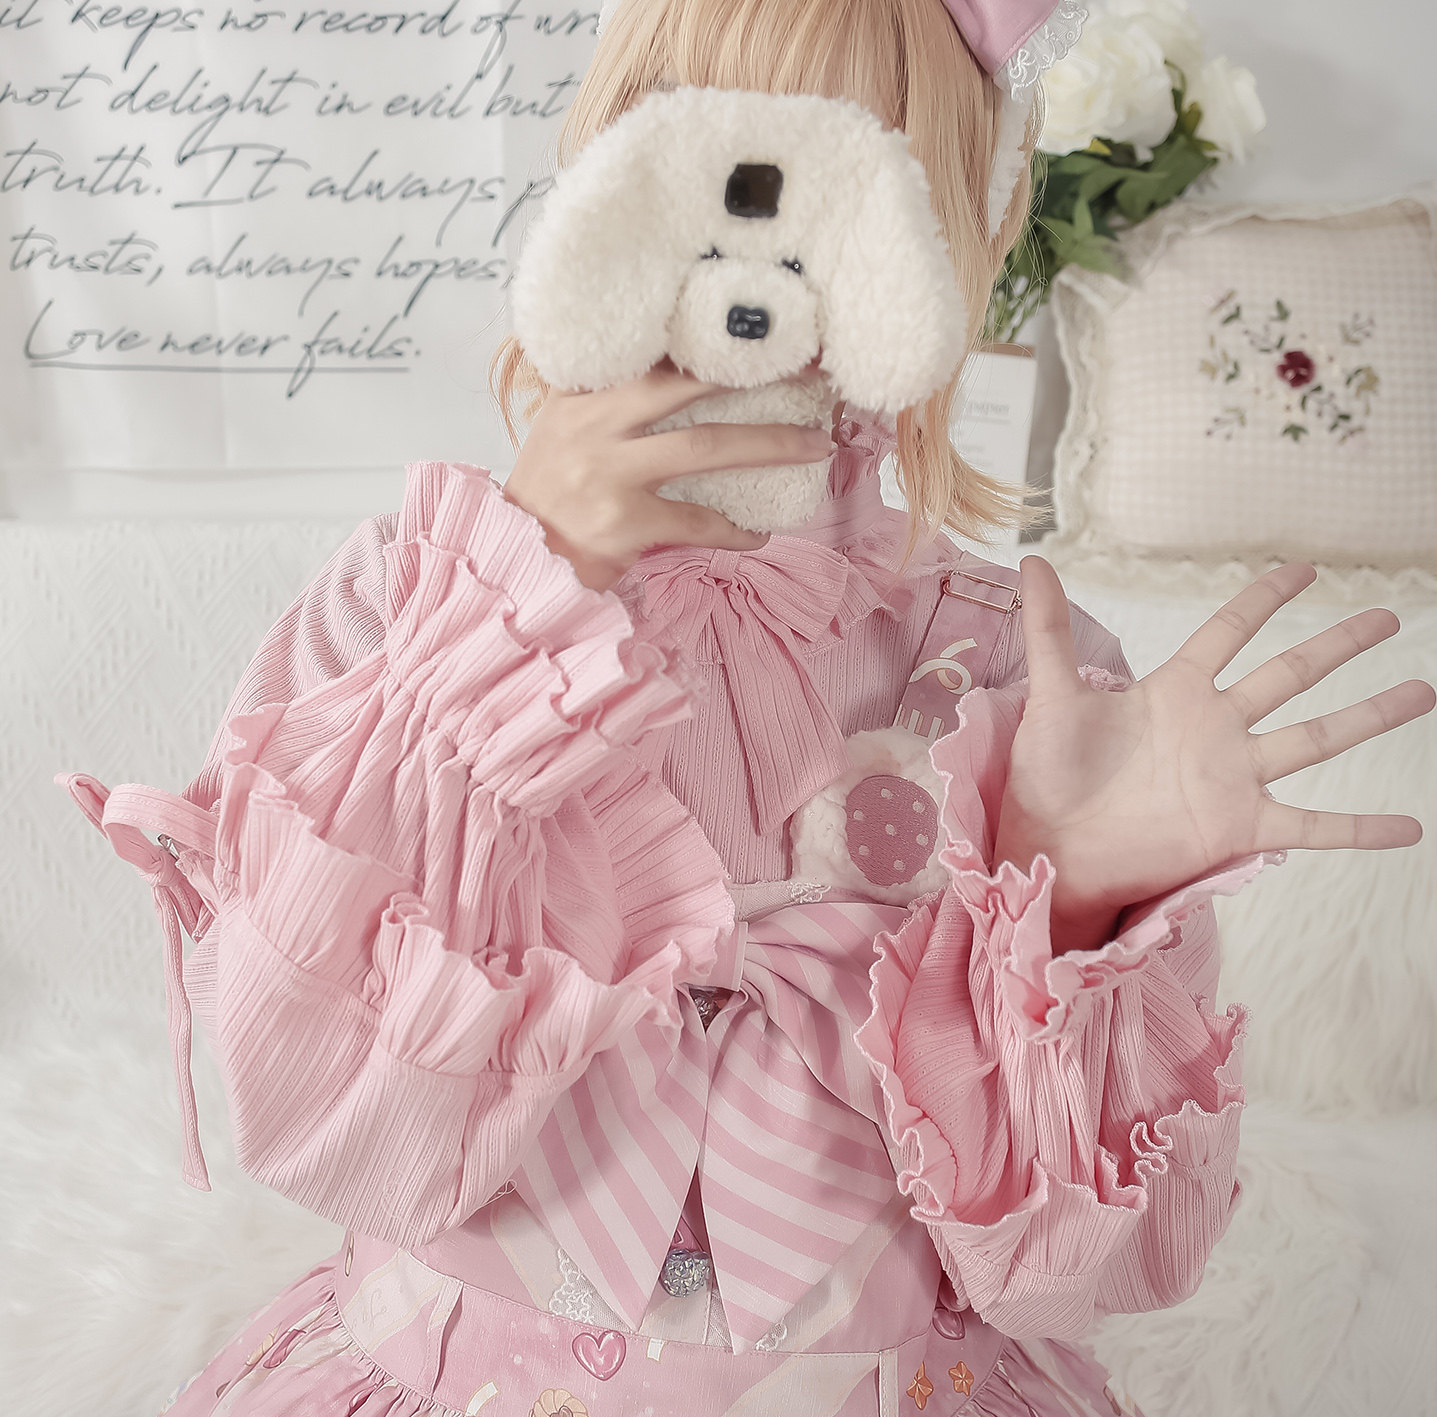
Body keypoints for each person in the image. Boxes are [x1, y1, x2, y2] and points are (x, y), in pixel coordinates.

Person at [61, 0, 1434, 1412]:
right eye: (690, 123)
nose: (759, 211)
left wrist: (1066, 914)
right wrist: (503, 622)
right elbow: (318, 1120)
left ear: (960, 226)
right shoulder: (423, 604)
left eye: (859, 160)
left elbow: (1076, 1274)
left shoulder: (1018, 670)